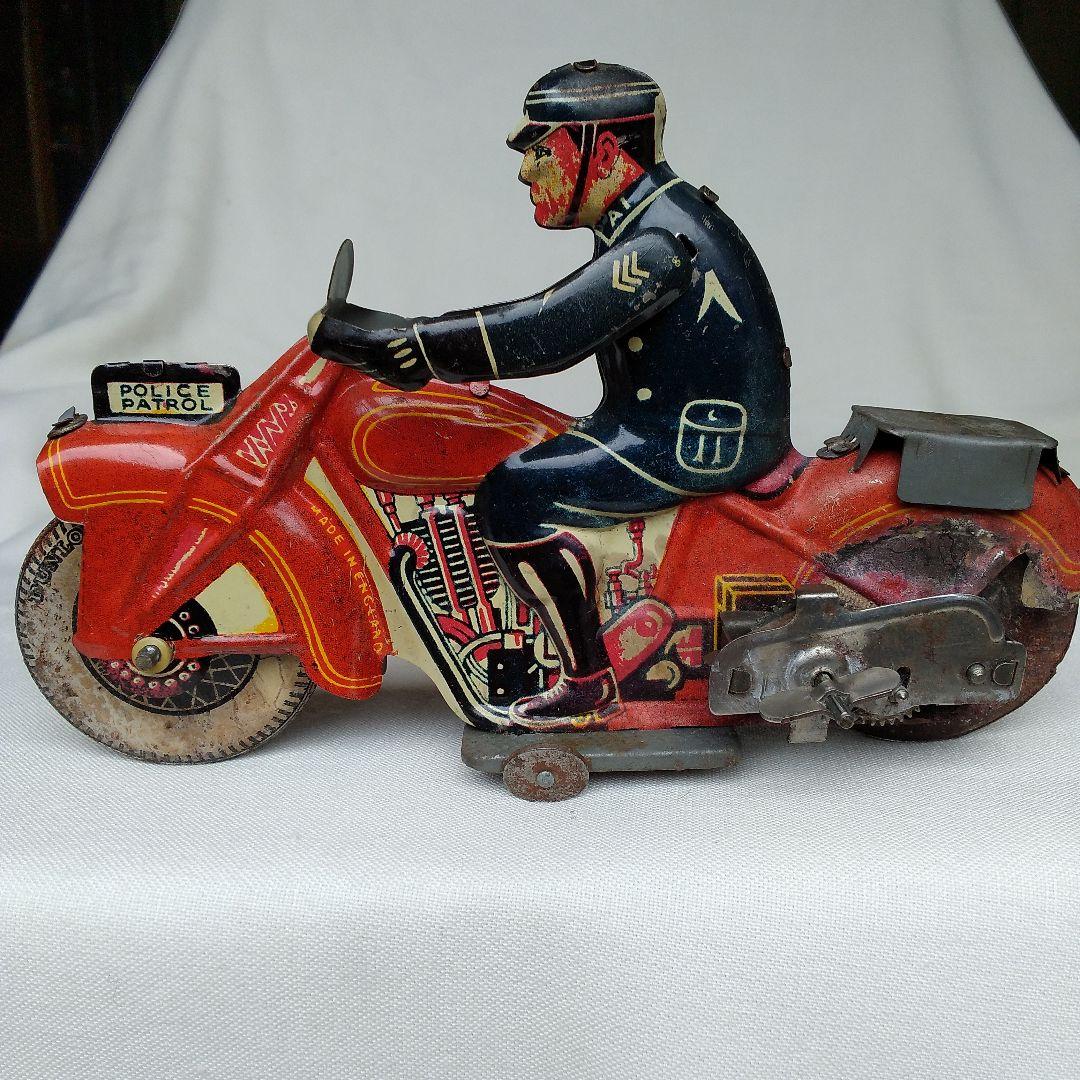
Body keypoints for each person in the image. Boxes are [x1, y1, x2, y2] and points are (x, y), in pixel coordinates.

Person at [307, 60, 792, 730]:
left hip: (690, 439)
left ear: (606, 150)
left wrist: (416, 345)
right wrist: (447, 356)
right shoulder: (650, 215)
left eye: (542, 150)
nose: (526, 172)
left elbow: (550, 328)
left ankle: (586, 683)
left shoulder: (658, 241)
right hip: (670, 420)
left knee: (513, 495)